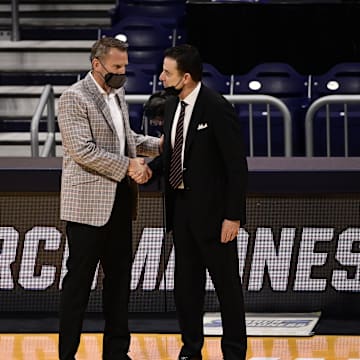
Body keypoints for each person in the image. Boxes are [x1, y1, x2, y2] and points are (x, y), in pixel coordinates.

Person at [57, 36, 162, 360]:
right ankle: (67, 354)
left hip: (119, 203)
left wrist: (160, 145)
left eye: (125, 67)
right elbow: (82, 150)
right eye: (116, 67)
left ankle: (117, 353)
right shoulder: (73, 98)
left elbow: (124, 139)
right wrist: (130, 166)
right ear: (97, 64)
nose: (122, 73)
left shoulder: (117, 94)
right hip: (87, 208)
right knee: (77, 286)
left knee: (119, 283)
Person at [149, 44, 248, 360]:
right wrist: (149, 169)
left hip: (215, 215)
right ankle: (191, 349)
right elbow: (173, 155)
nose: (162, 77)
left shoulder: (216, 107)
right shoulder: (174, 104)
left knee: (227, 288)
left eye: (168, 72)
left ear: (186, 77)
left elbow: (236, 165)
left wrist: (233, 216)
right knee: (186, 288)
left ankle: (233, 352)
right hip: (181, 210)